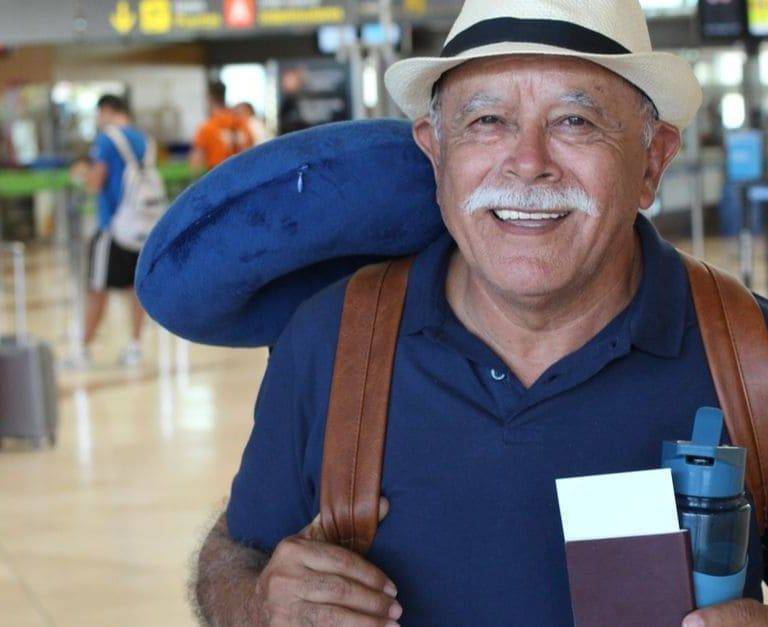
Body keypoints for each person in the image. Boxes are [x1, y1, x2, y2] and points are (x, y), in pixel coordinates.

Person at [193, 1, 768, 625]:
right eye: (487, 121)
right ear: (435, 154)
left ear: (651, 161)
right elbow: (231, 555)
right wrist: (255, 604)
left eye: (575, 121)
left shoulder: (750, 356)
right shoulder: (334, 340)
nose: (527, 162)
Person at [83, 94, 147, 367]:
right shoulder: (143, 139)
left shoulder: (107, 139)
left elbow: (96, 182)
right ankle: (134, 346)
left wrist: (81, 175)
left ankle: (82, 350)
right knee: (135, 289)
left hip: (113, 226)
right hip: (140, 225)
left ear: (107, 111)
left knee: (97, 288)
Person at [190, 81, 253, 172]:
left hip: (218, 180)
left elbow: (196, 164)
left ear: (209, 99)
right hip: (243, 178)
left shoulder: (208, 127)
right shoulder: (243, 125)